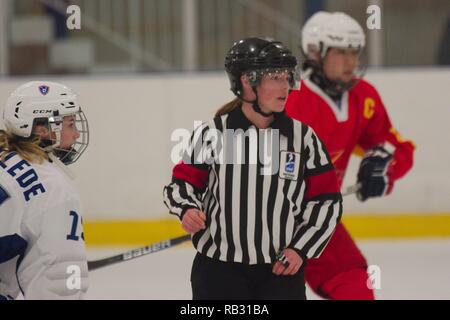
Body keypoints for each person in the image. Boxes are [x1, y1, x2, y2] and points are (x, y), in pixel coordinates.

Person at [163, 37, 342, 300]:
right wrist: (187, 209)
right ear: (247, 81)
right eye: (275, 78)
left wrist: (300, 249)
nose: (286, 87)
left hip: (280, 272)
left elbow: (327, 201)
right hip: (218, 274)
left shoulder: (303, 138)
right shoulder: (213, 134)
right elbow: (181, 185)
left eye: (287, 77)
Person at [285, 12, 415, 300]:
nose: (351, 62)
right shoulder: (290, 99)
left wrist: (385, 169)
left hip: (318, 221)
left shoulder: (363, 97)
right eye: (341, 53)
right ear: (316, 53)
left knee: (355, 285)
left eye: (354, 53)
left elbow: (399, 147)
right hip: (266, 224)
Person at [0, 81, 89, 299]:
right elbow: (58, 285)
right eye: (70, 124)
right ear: (43, 129)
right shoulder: (53, 187)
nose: (76, 134)